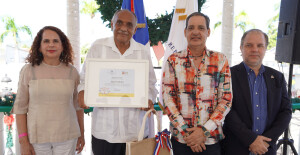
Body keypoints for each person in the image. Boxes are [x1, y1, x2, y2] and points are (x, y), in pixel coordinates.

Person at [78, 9, 158, 155]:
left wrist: (149, 99)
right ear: (112, 24)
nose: (123, 28)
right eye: (119, 23)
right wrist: (82, 92)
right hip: (104, 132)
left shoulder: (142, 52)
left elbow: (151, 84)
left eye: (129, 25)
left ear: (134, 29)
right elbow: (84, 79)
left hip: (135, 133)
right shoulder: (98, 47)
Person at [162, 12, 232, 155]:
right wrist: (188, 133)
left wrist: (203, 132)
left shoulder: (220, 60)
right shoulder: (173, 60)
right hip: (182, 140)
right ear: (185, 32)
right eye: (191, 28)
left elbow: (226, 99)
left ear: (208, 32)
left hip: (211, 141)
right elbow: (168, 99)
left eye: (201, 28)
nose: (195, 32)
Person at [12, 26, 85, 155]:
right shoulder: (28, 71)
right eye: (46, 41)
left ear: (63, 46)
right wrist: (23, 141)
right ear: (39, 47)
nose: (51, 44)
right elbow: (20, 108)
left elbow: (78, 107)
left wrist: (82, 134)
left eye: (56, 41)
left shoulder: (72, 72)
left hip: (68, 136)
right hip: (37, 139)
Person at [222, 29, 292, 155]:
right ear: (241, 48)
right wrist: (251, 140)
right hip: (236, 148)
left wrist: (266, 142)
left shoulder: (277, 77)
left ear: (265, 49)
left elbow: (286, 112)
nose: (254, 49)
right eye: (249, 45)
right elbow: (226, 110)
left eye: (260, 45)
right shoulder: (228, 75)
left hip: (266, 149)